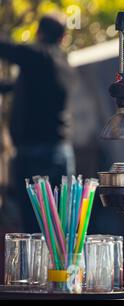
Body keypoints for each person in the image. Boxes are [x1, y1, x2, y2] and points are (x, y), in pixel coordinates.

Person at [0, 14, 75, 232]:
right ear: (63, 38)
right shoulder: (63, 64)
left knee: (34, 227)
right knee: (60, 228)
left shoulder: (37, 55)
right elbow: (22, 87)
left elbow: (6, 48)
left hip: (35, 153)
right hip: (61, 151)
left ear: (38, 32)